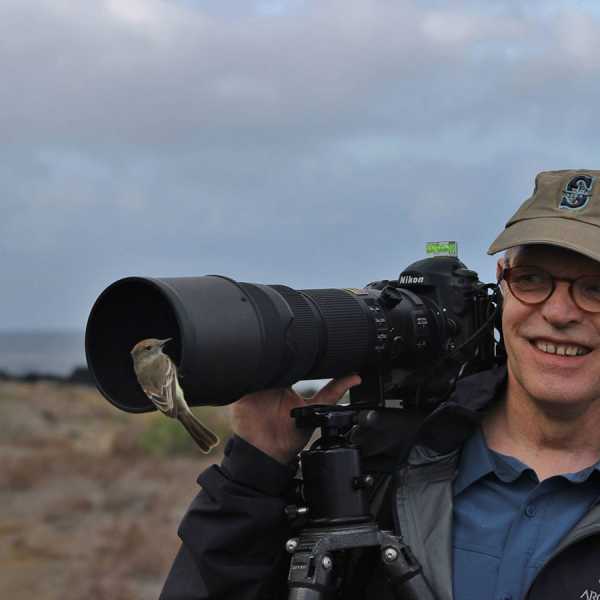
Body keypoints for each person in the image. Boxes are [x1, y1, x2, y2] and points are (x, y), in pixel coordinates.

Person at [160, 170, 600, 600]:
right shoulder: (384, 469)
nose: (559, 313)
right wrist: (255, 474)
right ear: (502, 282)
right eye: (531, 279)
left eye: (596, 288)